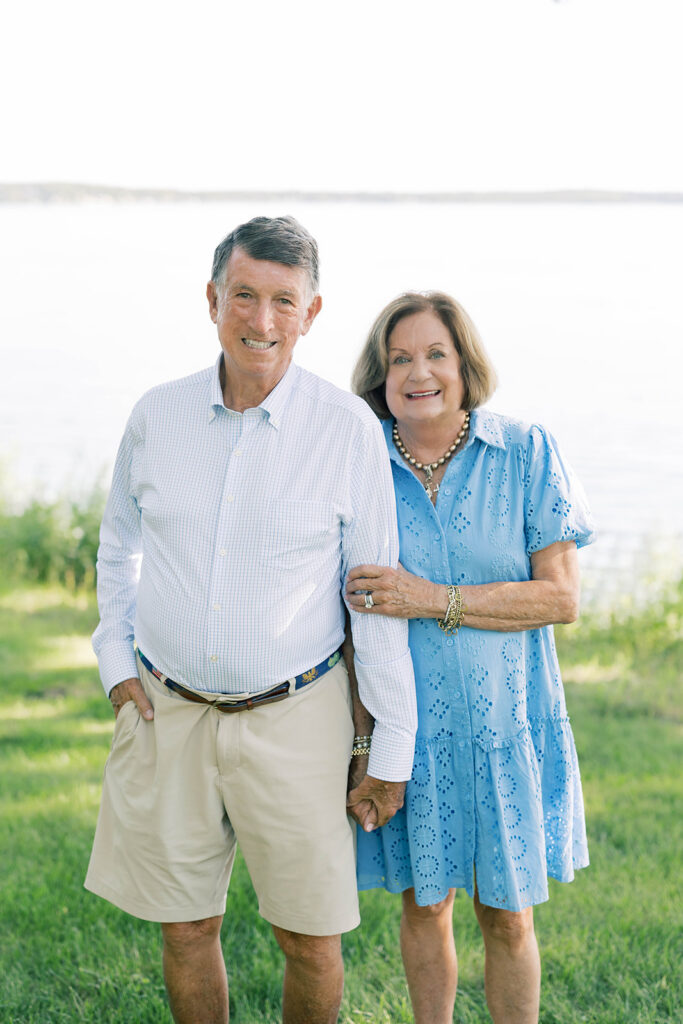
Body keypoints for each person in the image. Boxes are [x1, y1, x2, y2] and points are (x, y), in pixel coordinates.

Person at [84, 215, 417, 1024]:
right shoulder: (155, 417)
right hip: (168, 712)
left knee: (309, 939)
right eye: (243, 295)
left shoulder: (346, 432)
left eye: (281, 301)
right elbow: (117, 547)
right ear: (211, 299)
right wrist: (116, 662)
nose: (260, 321)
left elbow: (371, 599)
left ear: (311, 312)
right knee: (186, 926)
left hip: (297, 719)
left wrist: (390, 747)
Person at [345, 291, 596, 1024]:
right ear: (379, 374)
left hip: (504, 731)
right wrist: (366, 744)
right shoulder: (360, 468)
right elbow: (348, 620)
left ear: (463, 364)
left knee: (508, 917)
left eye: (434, 354)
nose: (417, 372)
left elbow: (559, 599)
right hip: (408, 737)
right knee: (425, 907)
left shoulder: (524, 451)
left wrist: (431, 598)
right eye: (399, 359)